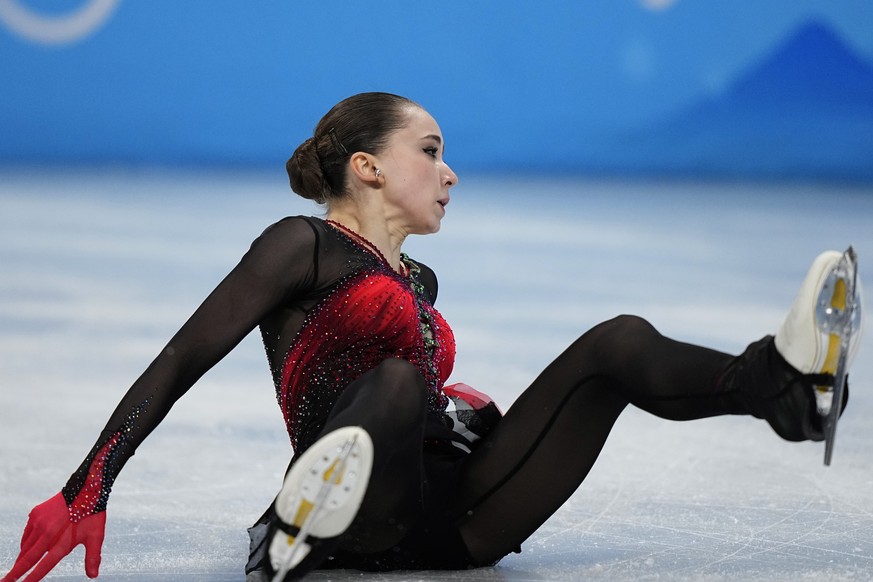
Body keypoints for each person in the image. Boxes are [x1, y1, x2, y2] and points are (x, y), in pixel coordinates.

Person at [1, 92, 863, 582]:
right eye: (431, 150)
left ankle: (782, 388)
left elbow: (425, 395)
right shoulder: (298, 245)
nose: (450, 172)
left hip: (454, 516)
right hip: (356, 511)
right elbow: (181, 356)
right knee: (398, 384)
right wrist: (89, 487)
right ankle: (305, 524)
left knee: (616, 340)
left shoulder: (420, 283)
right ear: (368, 166)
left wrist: (462, 414)